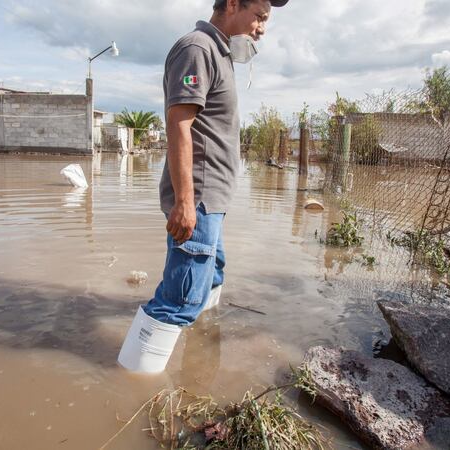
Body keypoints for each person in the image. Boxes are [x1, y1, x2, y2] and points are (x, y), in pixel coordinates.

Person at [118, 0, 289, 374]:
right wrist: (185, 202)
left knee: (211, 276)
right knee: (180, 299)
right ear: (231, 4)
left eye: (266, 20)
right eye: (259, 16)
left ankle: (199, 365)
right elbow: (179, 125)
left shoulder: (220, 52)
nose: (262, 28)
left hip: (212, 199)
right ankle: (131, 379)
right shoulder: (197, 48)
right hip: (198, 196)